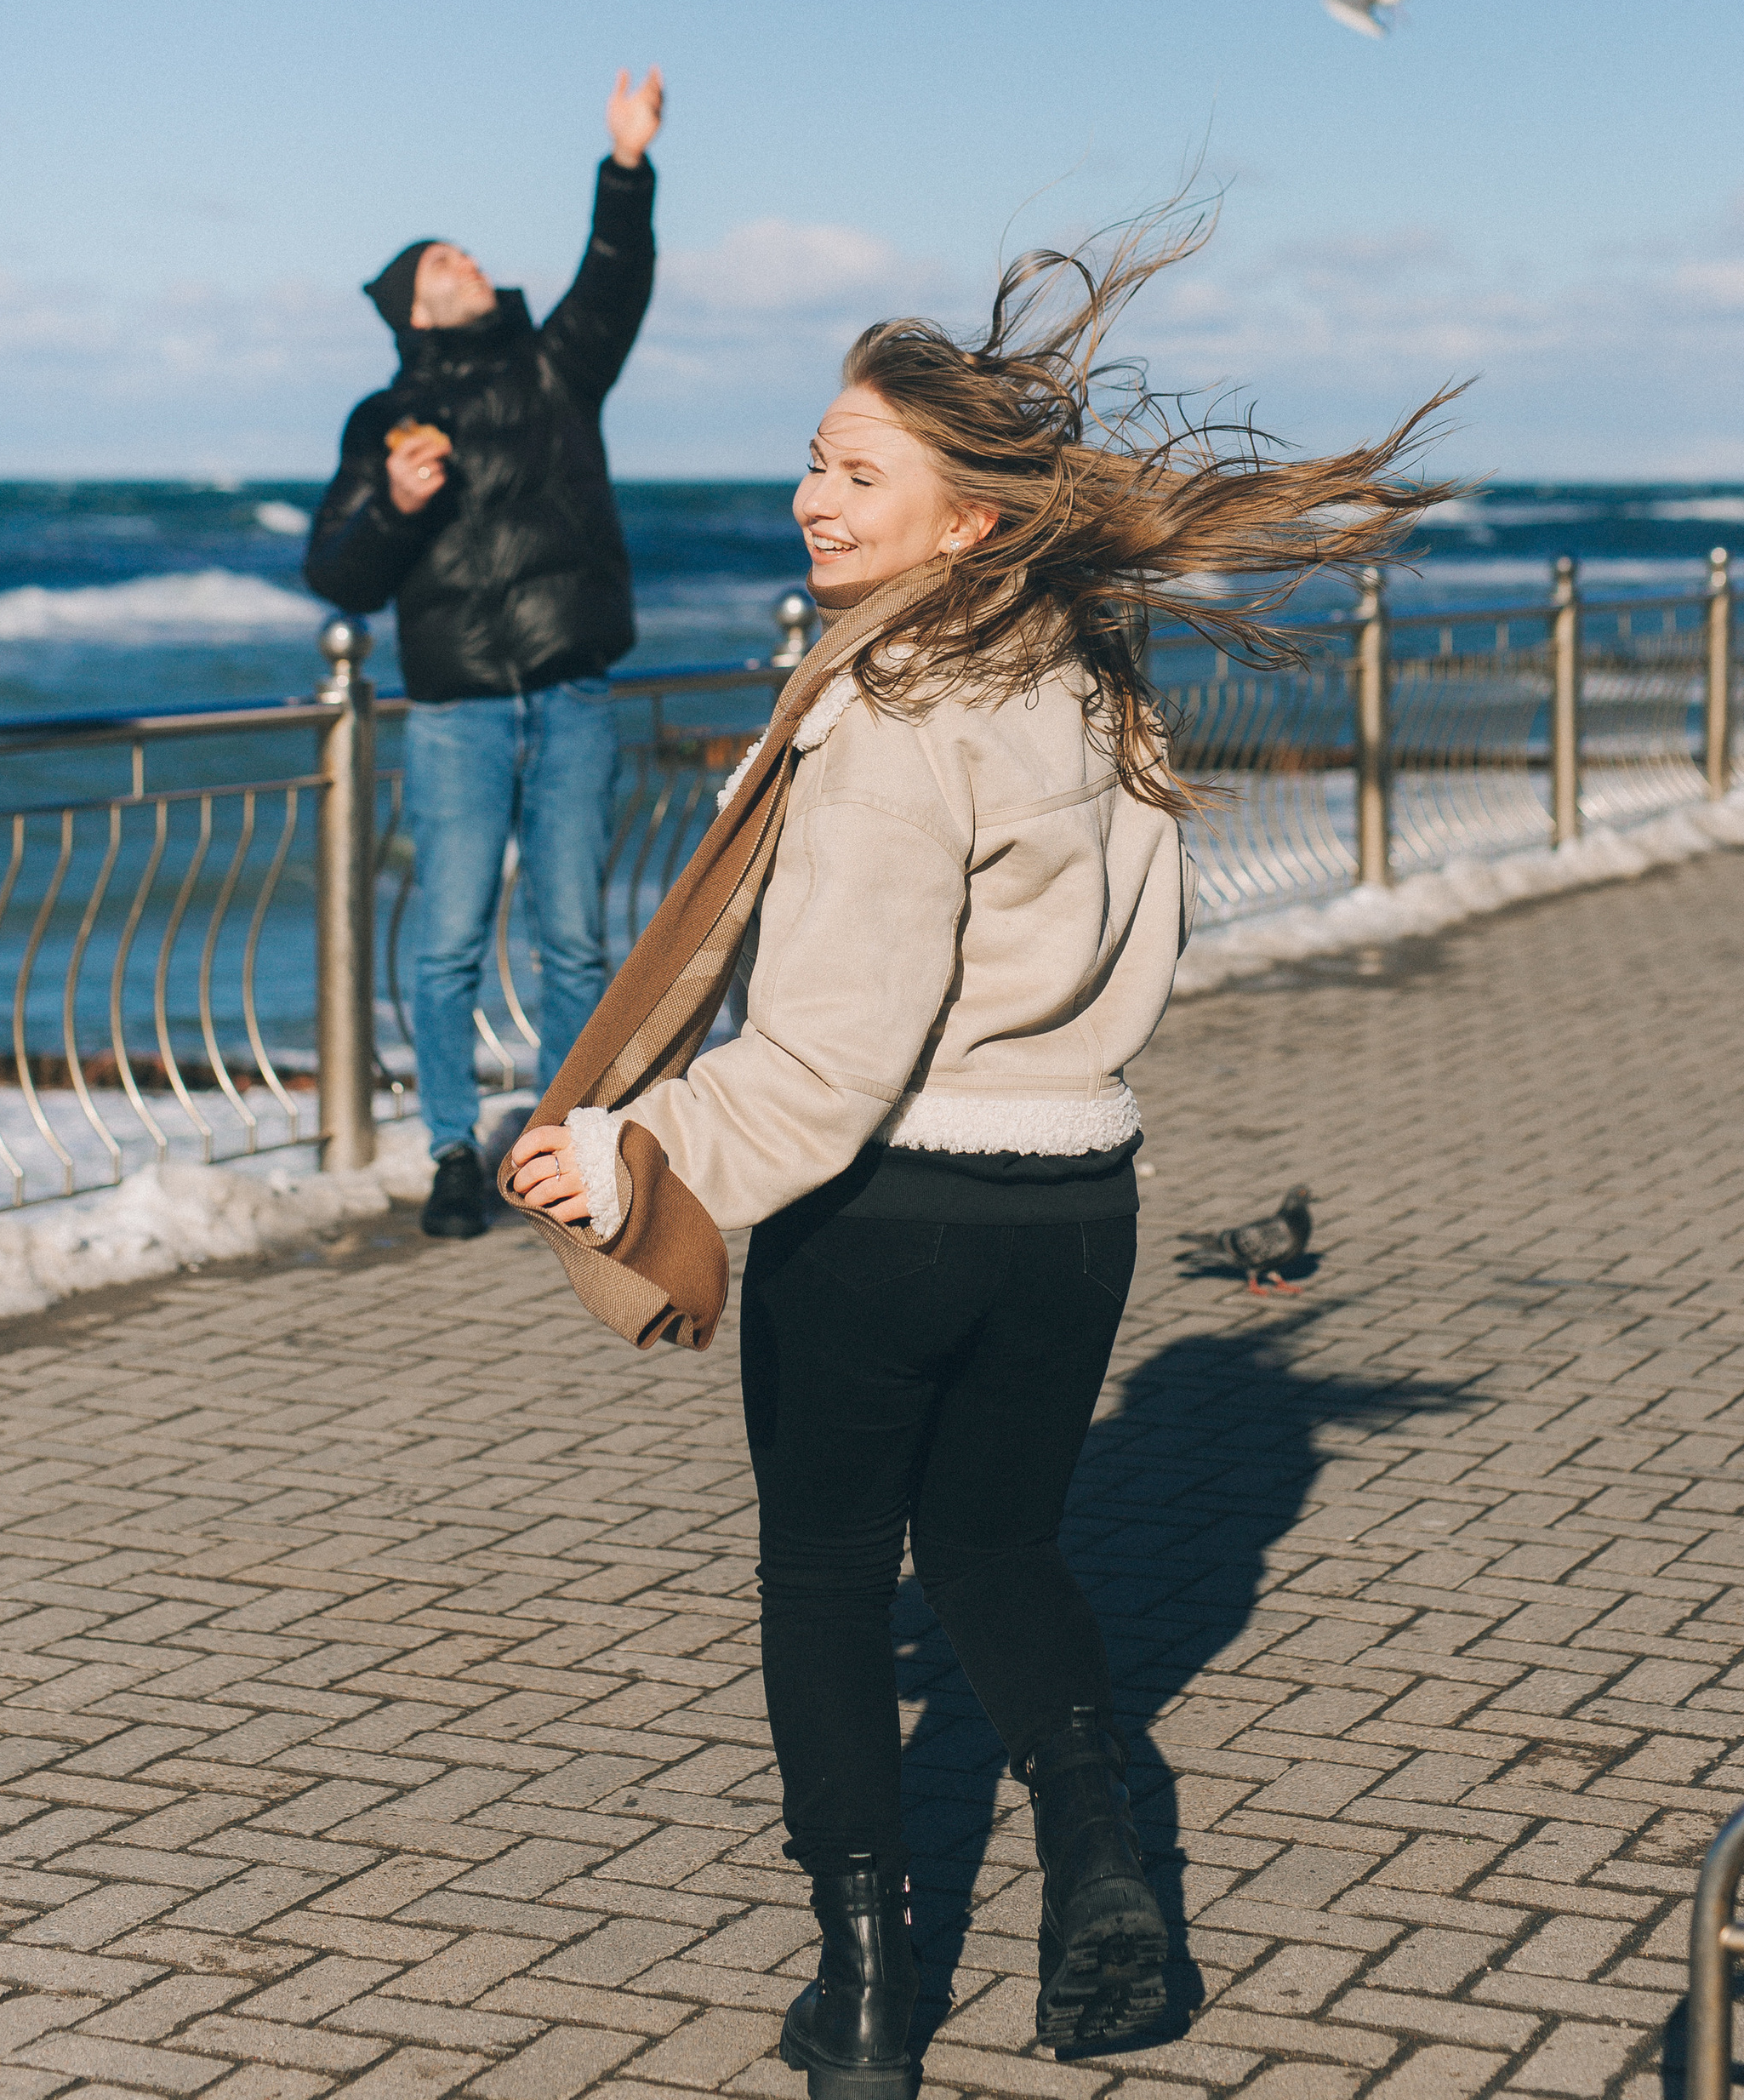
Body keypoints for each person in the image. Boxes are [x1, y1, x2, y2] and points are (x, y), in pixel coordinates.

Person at [504, 208, 1438, 2091]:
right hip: (1074, 1203)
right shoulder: (1095, 690)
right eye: (811, 462)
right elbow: (1130, 963)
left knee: (832, 1571)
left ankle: (864, 1987)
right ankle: (1101, 1873)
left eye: (856, 474)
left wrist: (629, 1155)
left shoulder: (887, 704)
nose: (807, 499)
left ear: (969, 521)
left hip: (891, 1211)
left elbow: (833, 1050)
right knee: (1002, 1547)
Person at [305, 66, 664, 1241]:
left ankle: (560, 1149)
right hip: (457, 708)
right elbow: (338, 576)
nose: (469, 267)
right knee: (450, 940)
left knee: (574, 937)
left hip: (568, 692)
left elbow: (613, 285)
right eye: (442, 264)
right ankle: (454, 1149)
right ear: (413, 307)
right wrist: (397, 506)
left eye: (465, 256)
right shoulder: (383, 422)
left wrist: (625, 166)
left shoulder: (554, 370)